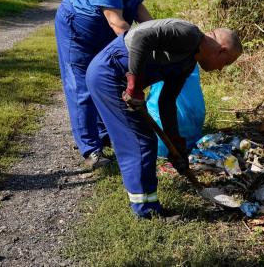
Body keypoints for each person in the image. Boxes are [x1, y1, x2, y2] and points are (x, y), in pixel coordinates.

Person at [86, 19, 242, 219]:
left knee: (144, 140)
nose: (221, 69)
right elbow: (141, 37)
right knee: (140, 142)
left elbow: (166, 102)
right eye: (226, 63)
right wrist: (134, 86)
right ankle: (147, 211)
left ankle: (148, 205)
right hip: (107, 75)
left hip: (117, 79)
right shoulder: (188, 34)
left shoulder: (187, 63)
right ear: (221, 51)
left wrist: (176, 145)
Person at [55, 0, 160, 169]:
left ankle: (105, 134)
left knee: (107, 80)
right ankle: (91, 149)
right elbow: (118, 23)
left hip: (104, 31)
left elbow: (137, 7)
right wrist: (142, 53)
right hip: (78, 32)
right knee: (82, 87)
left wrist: (158, 34)